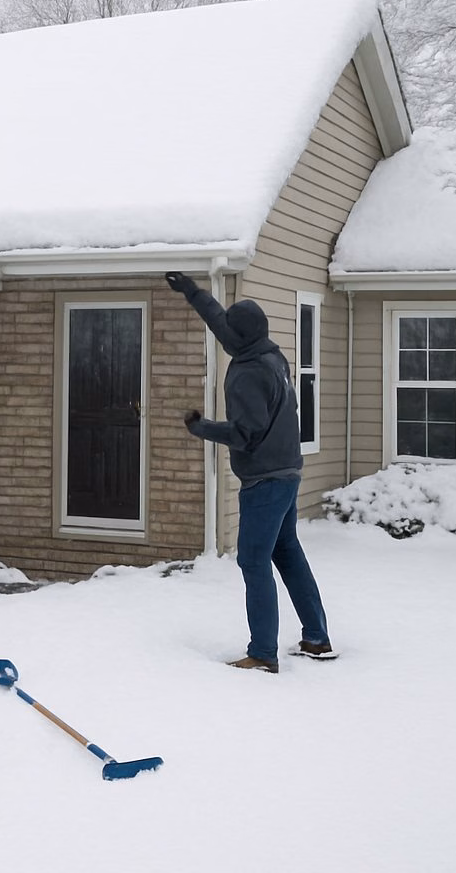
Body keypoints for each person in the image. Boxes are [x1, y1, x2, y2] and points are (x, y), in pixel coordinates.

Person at [165, 271, 335, 673]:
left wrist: (201, 427)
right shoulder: (270, 354)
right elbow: (222, 324)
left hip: (265, 480)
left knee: (254, 561)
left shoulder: (247, 374)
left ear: (239, 339)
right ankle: (316, 638)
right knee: (287, 552)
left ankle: (262, 653)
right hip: (288, 471)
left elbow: (247, 433)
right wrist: (192, 291)